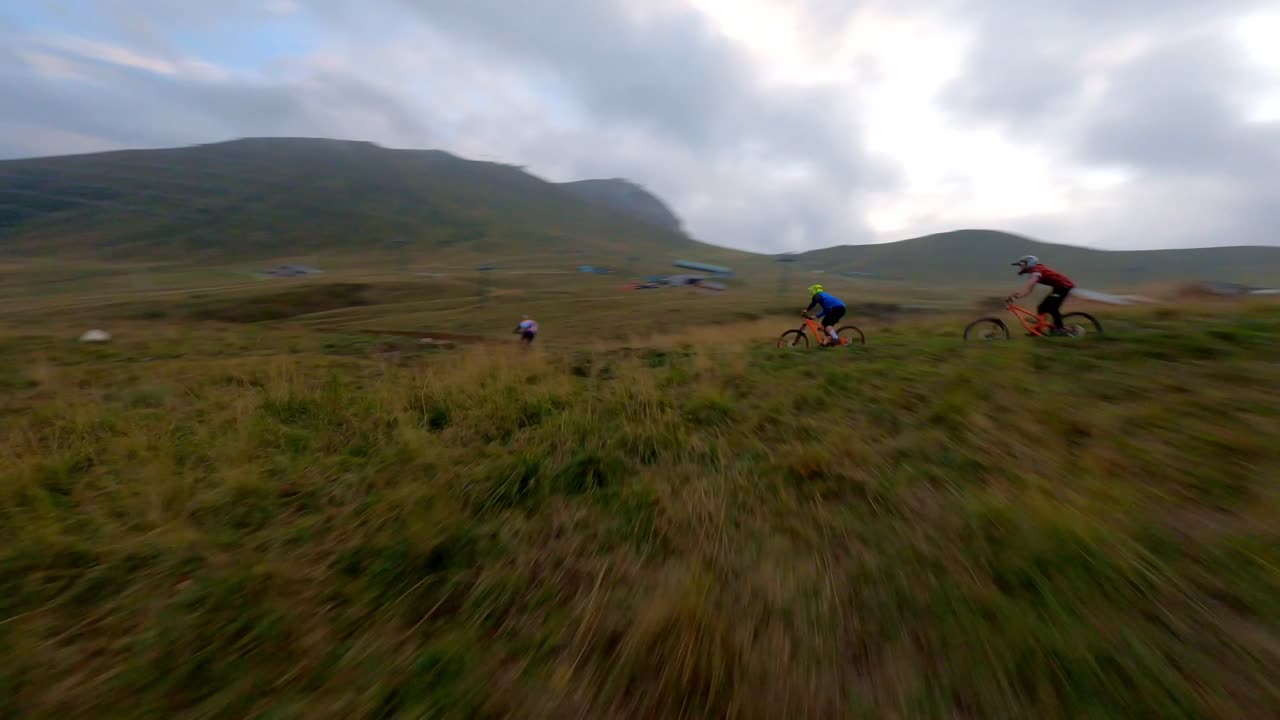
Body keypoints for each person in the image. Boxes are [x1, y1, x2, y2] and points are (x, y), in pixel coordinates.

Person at [1009, 255, 1076, 334]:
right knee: (1041, 307)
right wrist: (1019, 295)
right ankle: (1039, 329)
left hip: (1064, 287)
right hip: (1058, 287)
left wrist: (1019, 293)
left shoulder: (1036, 270)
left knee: (1052, 308)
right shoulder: (1035, 271)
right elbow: (1030, 289)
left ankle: (1060, 328)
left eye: (1022, 265)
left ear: (1029, 263)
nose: (1021, 267)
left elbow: (1031, 284)